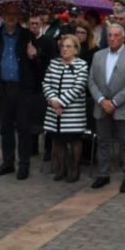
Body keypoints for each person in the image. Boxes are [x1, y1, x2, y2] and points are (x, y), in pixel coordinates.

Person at [0, 5, 46, 180]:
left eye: (14, 14)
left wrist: (34, 56)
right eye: (8, 13)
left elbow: (39, 67)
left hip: (22, 89)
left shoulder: (27, 36)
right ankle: (8, 162)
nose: (11, 17)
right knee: (5, 128)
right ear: (2, 15)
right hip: (2, 88)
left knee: (24, 128)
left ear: (19, 16)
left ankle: (24, 164)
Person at [88, 24, 125, 192]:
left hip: (123, 107)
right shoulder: (98, 56)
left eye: (116, 35)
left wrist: (114, 103)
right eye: (109, 35)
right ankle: (103, 174)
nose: (112, 38)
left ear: (123, 38)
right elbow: (91, 81)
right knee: (103, 141)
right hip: (101, 106)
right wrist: (102, 100)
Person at [43, 34, 89, 183]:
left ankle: (75, 169)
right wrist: (53, 101)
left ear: (76, 50)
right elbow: (46, 83)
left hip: (73, 113)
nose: (64, 49)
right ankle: (62, 168)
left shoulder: (82, 65)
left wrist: (60, 102)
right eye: (62, 46)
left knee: (74, 141)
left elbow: (78, 87)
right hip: (54, 111)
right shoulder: (53, 63)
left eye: (68, 46)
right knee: (58, 141)